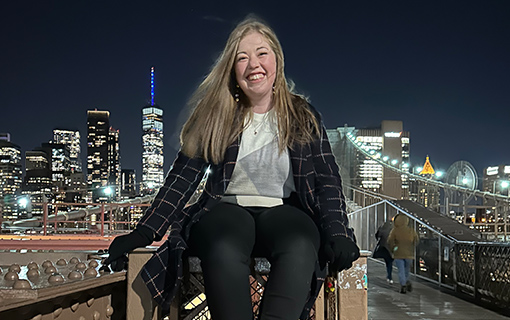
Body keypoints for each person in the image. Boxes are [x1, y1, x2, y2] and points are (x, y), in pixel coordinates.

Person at [105, 16, 360, 320]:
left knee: (302, 244)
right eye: (242, 57)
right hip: (226, 208)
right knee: (223, 246)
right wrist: (144, 232)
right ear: (233, 70)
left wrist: (338, 232)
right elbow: (183, 178)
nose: (254, 64)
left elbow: (326, 179)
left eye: (262, 53)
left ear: (277, 60)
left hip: (283, 208)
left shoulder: (302, 115)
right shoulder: (215, 114)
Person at [387, 213, 419, 294]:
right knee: (407, 270)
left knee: (401, 270)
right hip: (409, 254)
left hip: (398, 254)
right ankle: (407, 281)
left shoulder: (395, 230)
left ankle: (403, 285)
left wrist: (393, 248)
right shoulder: (411, 230)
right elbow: (416, 240)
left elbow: (390, 241)